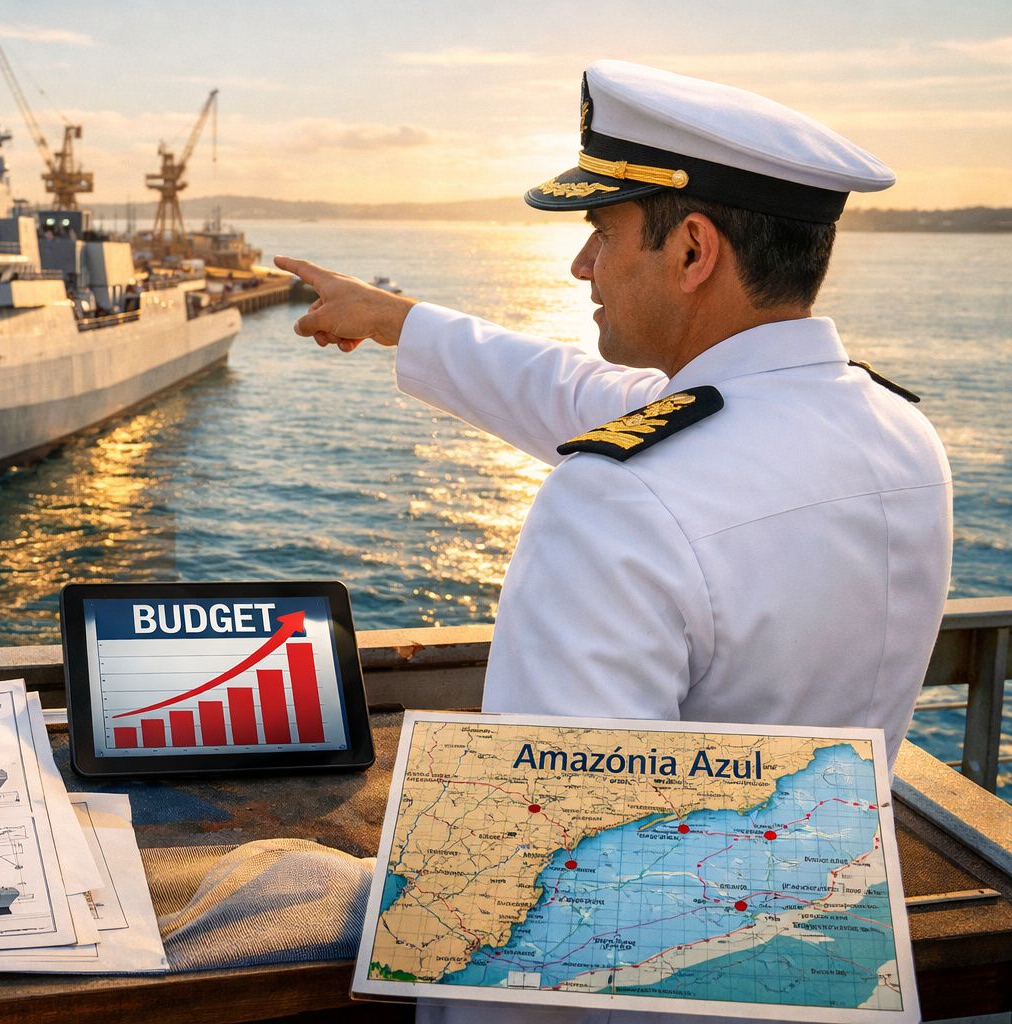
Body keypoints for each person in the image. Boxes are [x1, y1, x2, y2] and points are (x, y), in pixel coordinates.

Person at [280, 60, 951, 769]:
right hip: (835, 841)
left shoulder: (616, 500)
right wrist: (397, 319)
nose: (581, 265)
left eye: (602, 233)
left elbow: (554, 813)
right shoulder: (901, 435)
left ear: (692, 251)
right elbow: (577, 391)